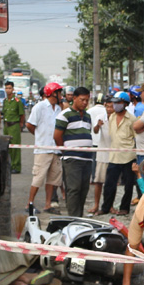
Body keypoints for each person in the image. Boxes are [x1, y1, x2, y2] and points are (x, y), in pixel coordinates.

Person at [54, 86, 97, 217]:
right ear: (74, 98)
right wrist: (65, 151)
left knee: (83, 190)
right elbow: (57, 136)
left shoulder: (88, 116)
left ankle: (79, 217)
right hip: (72, 158)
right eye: (82, 100)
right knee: (73, 189)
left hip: (87, 159)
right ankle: (72, 218)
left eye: (87, 100)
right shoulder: (65, 115)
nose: (85, 103)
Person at [26, 82, 65, 213]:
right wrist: (39, 137)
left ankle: (47, 204)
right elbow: (30, 125)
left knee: (52, 179)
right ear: (53, 93)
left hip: (55, 149)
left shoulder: (58, 109)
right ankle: (29, 204)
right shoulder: (40, 107)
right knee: (38, 178)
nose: (61, 95)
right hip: (43, 149)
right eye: (59, 92)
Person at [99, 91, 137, 216]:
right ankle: (106, 207)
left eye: (118, 103)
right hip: (114, 155)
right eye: (114, 103)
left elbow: (135, 137)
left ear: (125, 104)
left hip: (128, 156)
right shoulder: (112, 117)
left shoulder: (131, 119)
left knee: (128, 185)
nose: (115, 105)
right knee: (109, 184)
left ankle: (124, 207)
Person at [88, 95, 111, 214]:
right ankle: (96, 204)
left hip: (113, 154)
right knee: (98, 181)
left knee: (111, 182)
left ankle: (109, 205)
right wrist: (98, 125)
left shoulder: (118, 117)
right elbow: (95, 131)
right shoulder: (100, 117)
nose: (109, 109)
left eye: (111, 106)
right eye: (107, 106)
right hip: (102, 152)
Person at [1, 80, 26, 174]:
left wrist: (20, 125)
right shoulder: (5, 101)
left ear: (13, 89)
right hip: (6, 126)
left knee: (15, 147)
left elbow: (22, 115)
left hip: (14, 125)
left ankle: (16, 166)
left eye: (9, 88)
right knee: (7, 147)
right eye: (6, 88)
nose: (8, 90)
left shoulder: (17, 101)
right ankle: (9, 166)